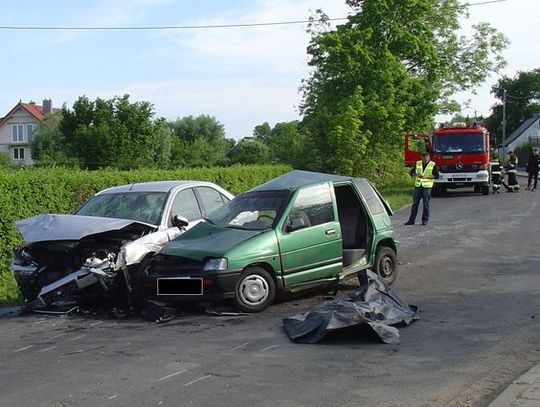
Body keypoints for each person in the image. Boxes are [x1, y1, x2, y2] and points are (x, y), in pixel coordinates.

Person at [405, 152, 439, 226]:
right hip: (418, 186)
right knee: (415, 203)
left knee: (425, 204)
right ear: (421, 157)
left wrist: (426, 177)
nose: (425, 160)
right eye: (423, 159)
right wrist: (417, 175)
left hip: (427, 187)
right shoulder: (418, 163)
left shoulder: (433, 164)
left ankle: (425, 220)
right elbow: (411, 173)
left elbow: (436, 176)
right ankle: (411, 220)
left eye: (426, 159)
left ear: (429, 157)